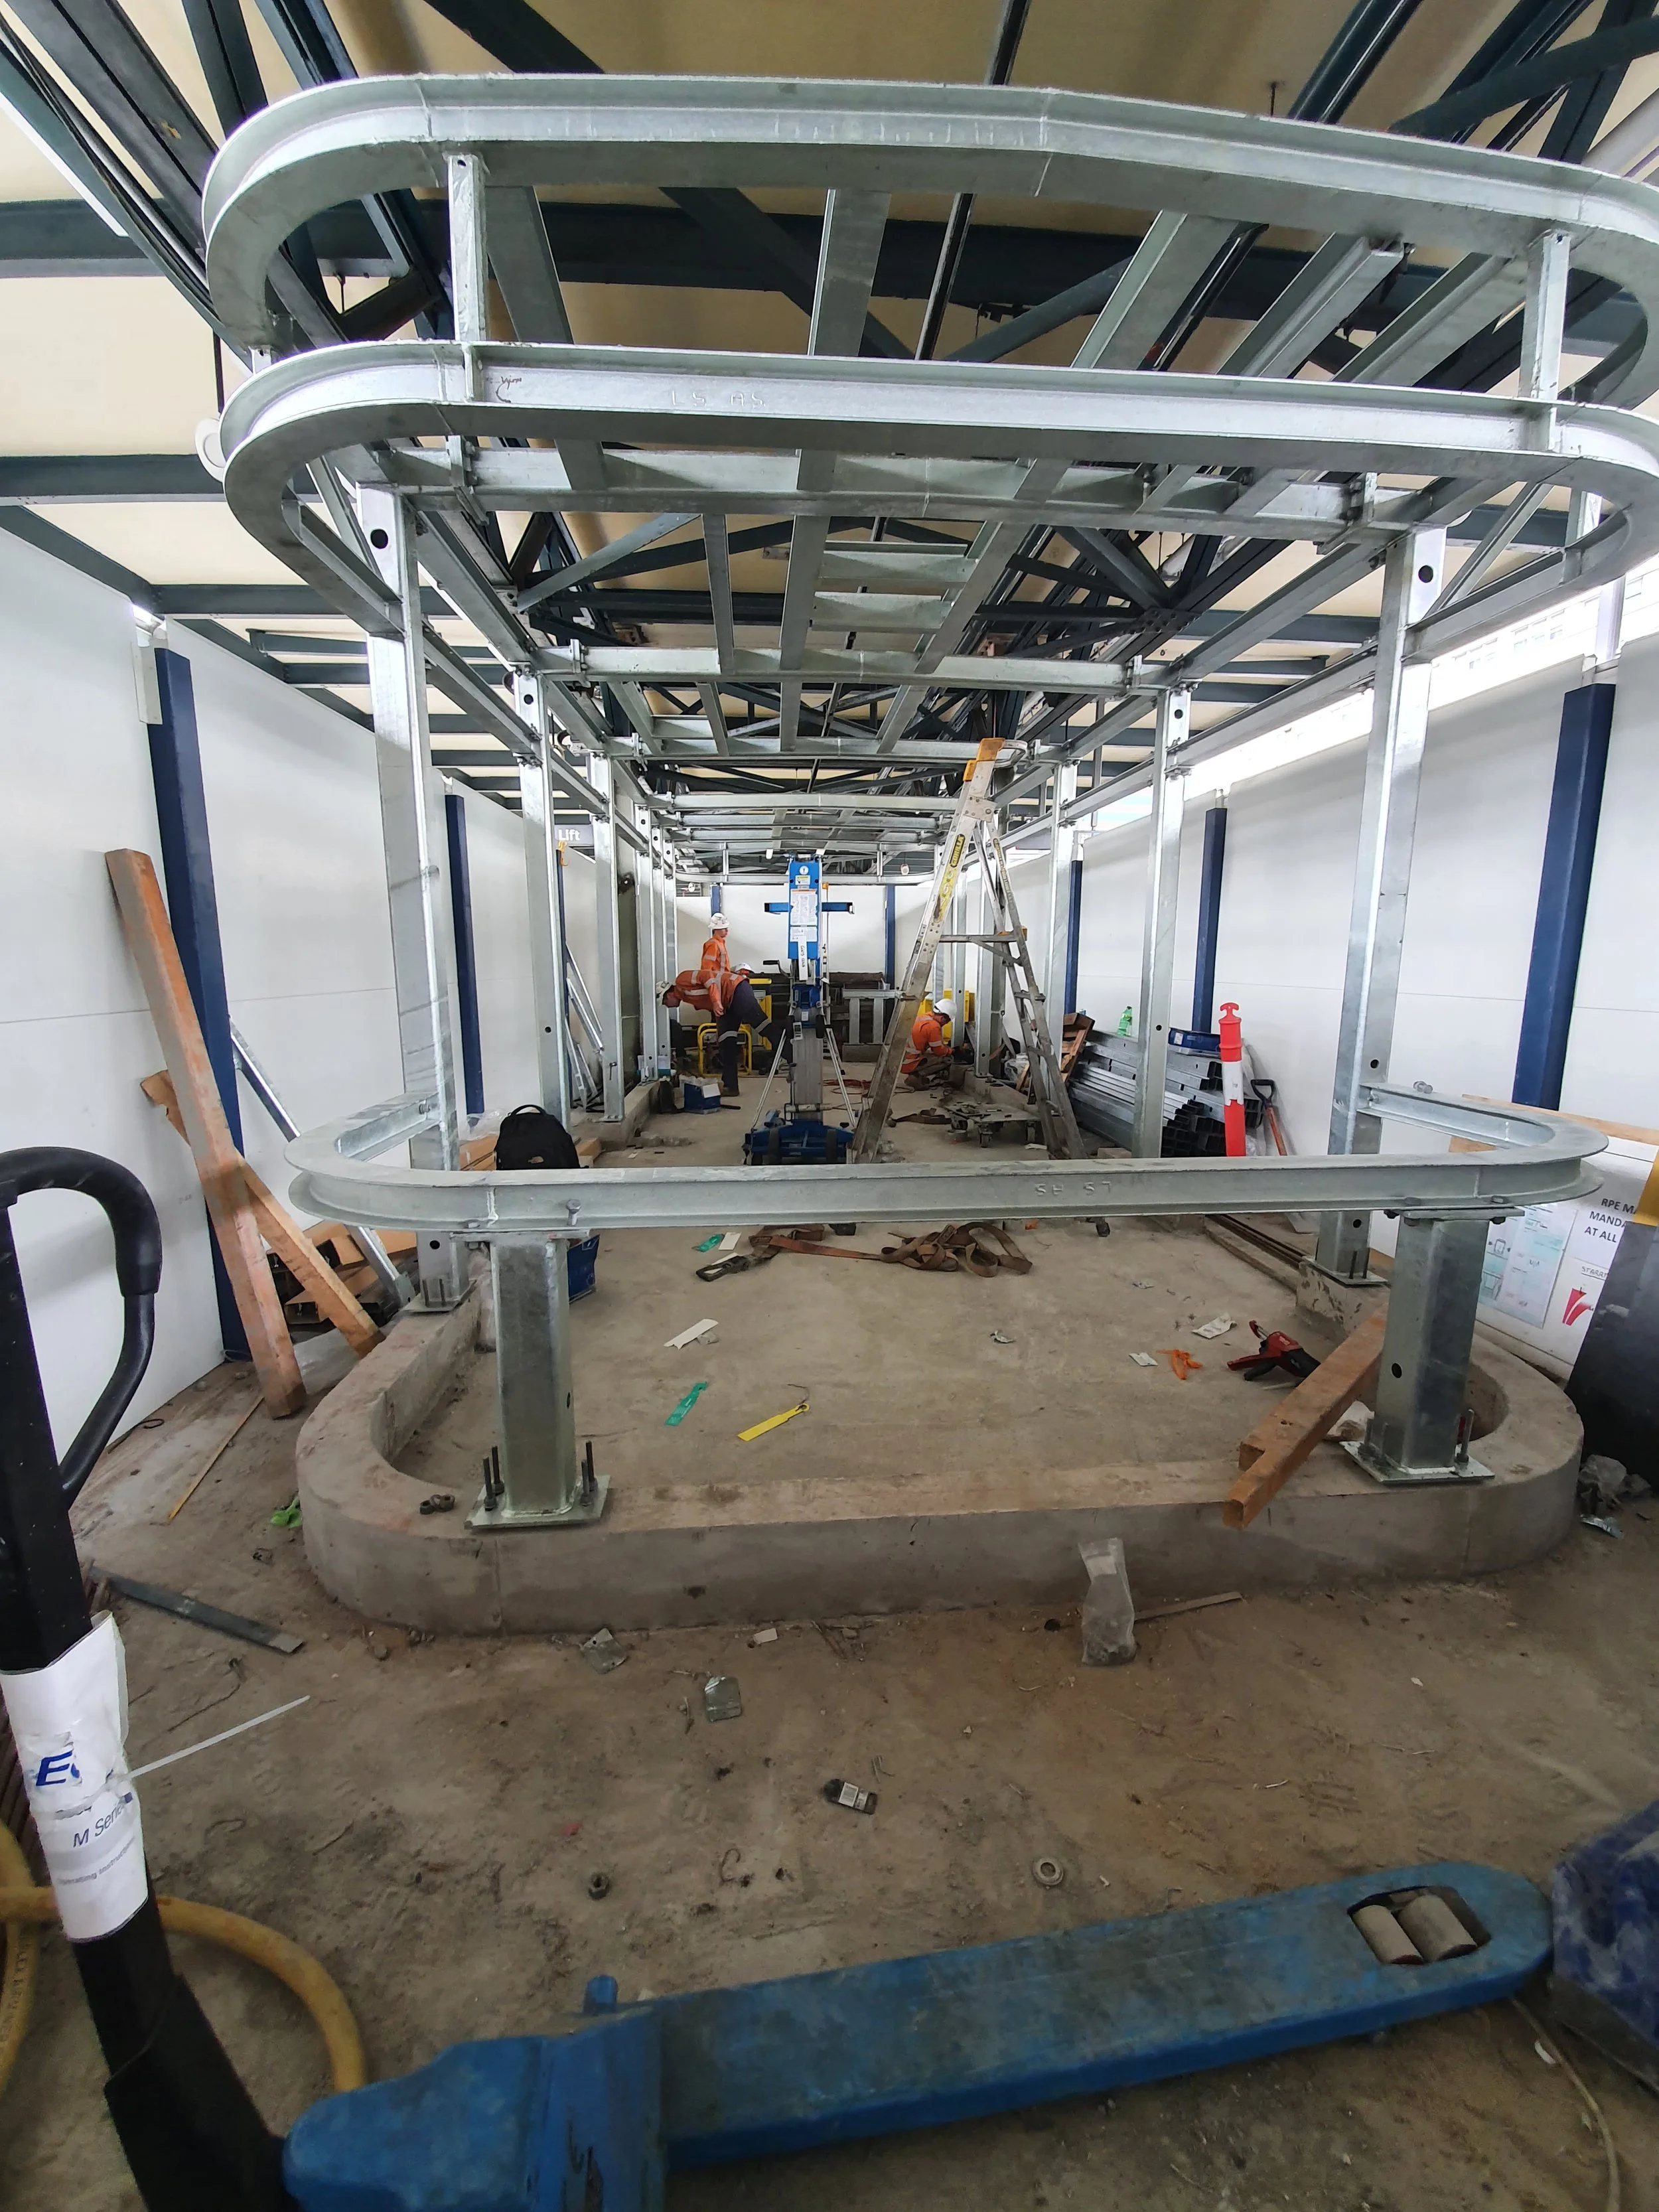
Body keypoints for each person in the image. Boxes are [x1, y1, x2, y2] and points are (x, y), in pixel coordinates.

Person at [663, 927, 778, 1095]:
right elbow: (713, 1002)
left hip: (736, 989)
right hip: (726, 1003)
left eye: (665, 1001)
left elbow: (708, 977)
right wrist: (719, 1023)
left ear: (669, 992)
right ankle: (731, 1087)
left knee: (761, 1026)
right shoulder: (687, 997)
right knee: (726, 1043)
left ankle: (792, 1056)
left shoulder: (682, 980)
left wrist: (716, 1002)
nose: (667, 1005)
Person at [902, 994, 956, 1086]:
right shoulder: (934, 1026)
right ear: (943, 1017)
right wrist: (951, 1051)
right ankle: (916, 1077)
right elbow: (939, 1051)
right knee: (948, 1059)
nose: (945, 1024)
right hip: (909, 1062)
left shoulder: (924, 1017)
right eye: (946, 1022)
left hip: (901, 1059)